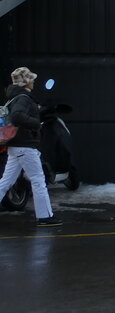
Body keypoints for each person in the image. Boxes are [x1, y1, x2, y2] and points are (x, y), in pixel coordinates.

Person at [0, 67, 60, 226]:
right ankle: (45, 217)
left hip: (16, 146)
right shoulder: (23, 98)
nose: (33, 81)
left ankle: (45, 216)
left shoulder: (14, 97)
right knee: (38, 180)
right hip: (25, 146)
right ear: (25, 82)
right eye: (31, 79)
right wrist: (36, 124)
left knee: (5, 183)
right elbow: (17, 116)